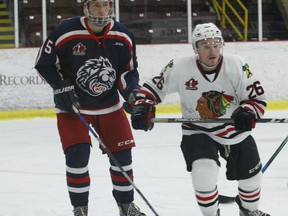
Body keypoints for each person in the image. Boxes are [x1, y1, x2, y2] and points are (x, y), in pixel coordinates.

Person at [130, 22, 270, 216]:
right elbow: (153, 88)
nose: (211, 50)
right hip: (198, 129)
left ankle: (249, 211)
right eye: (205, 46)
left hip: (234, 130)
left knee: (252, 178)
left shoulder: (236, 64)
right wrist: (143, 106)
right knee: (204, 171)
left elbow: (256, 98)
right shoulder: (180, 66)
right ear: (195, 49)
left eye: (215, 44)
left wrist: (248, 112)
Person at [34, 1, 146, 216]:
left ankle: (126, 205)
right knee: (77, 158)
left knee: (123, 157)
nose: (102, 10)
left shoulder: (123, 35)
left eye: (106, 5)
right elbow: (44, 63)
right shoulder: (65, 31)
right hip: (73, 108)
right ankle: (80, 209)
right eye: (96, 5)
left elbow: (127, 72)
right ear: (86, 7)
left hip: (110, 106)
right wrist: (61, 86)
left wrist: (132, 94)